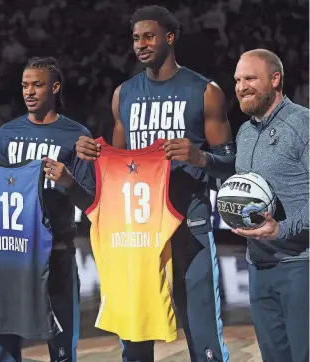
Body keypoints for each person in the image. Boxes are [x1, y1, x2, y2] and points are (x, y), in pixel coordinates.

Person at [75, 5, 235, 362]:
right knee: (135, 334)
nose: (141, 44)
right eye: (135, 38)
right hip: (139, 230)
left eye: (149, 36)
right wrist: (89, 155)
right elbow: (116, 167)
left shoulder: (205, 91)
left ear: (170, 37)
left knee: (202, 330)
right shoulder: (124, 95)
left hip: (189, 224)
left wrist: (200, 158)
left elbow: (231, 165)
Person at [0, 56, 94, 362]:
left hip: (57, 252)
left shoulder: (77, 135)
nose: (29, 92)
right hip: (12, 252)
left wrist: (68, 181)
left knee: (62, 348)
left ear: (55, 87)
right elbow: (2, 191)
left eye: (37, 84)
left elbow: (89, 202)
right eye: (24, 85)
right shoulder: (7, 133)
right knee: (6, 347)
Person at [232, 49, 309, 362]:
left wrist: (283, 229)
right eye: (237, 80)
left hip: (300, 265)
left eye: (250, 78)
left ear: (275, 79)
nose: (240, 87)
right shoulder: (245, 132)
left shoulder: (303, 124)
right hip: (258, 266)